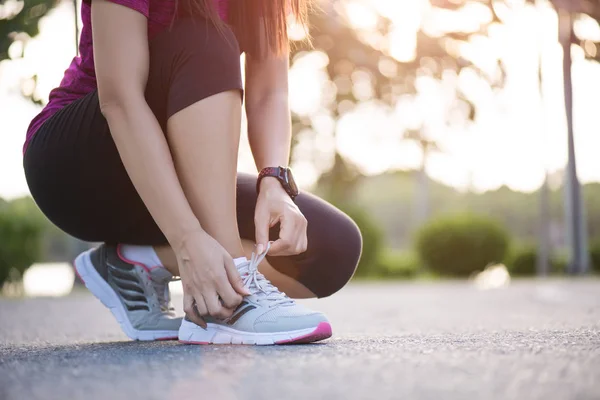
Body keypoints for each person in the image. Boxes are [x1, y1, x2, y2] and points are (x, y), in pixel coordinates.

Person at [23, 0, 362, 345]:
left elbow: (269, 92)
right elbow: (120, 101)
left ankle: (130, 266)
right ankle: (225, 306)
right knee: (205, 36)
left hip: (174, 164)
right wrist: (187, 239)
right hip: (81, 166)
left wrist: (275, 181)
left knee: (329, 248)